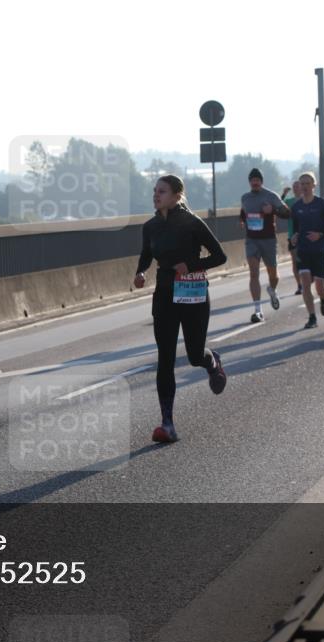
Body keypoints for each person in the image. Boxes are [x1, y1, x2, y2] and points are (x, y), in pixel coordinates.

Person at [134, 175, 227, 443]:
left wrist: (191, 265)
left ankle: (211, 361)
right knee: (165, 358)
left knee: (194, 355)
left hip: (193, 294)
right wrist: (140, 272)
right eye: (155, 190)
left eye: (162, 191)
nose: (156, 195)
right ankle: (167, 424)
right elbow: (146, 254)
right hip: (165, 294)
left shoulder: (192, 223)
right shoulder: (150, 226)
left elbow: (220, 256)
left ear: (177, 195)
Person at [239, 168, 291, 323]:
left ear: (261, 181)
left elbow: (287, 213)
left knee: (273, 274)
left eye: (257, 180)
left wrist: (272, 210)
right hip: (252, 240)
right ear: (249, 182)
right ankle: (258, 310)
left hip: (268, 240)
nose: (255, 183)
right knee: (253, 273)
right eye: (252, 180)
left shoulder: (271, 196)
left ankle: (272, 289)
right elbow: (244, 212)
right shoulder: (245, 197)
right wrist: (241, 220)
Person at [289, 172, 324, 329]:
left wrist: (320, 234)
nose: (304, 187)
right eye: (302, 184)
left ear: (314, 185)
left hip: (319, 250)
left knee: (319, 287)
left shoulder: (321, 203)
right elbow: (296, 228)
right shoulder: (296, 207)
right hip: (303, 250)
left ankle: (323, 298)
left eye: (307, 183)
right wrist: (294, 237)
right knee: (305, 283)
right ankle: (312, 317)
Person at [284, 181, 302, 294]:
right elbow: (279, 206)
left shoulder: (307, 200)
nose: (295, 188)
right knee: (295, 262)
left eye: (297, 186)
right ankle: (299, 285)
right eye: (294, 187)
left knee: (306, 260)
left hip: (305, 236)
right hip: (292, 235)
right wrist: (284, 194)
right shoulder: (289, 201)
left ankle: (307, 281)